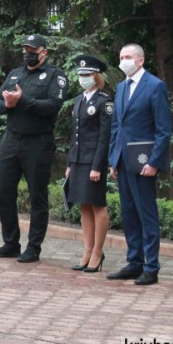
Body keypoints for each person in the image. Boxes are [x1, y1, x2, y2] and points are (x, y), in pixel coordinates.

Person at [0, 34, 67, 263]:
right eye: (25, 49)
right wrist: (6, 104)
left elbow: (53, 106)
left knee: (37, 197)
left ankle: (34, 247)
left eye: (32, 49)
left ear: (44, 52)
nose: (27, 53)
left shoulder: (55, 76)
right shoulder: (15, 74)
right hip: (11, 140)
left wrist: (22, 101)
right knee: (3, 192)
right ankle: (10, 243)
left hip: (38, 143)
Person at [107, 43, 172, 286]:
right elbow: (117, 127)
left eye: (128, 57)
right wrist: (113, 159)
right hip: (123, 162)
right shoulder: (121, 87)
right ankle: (134, 262)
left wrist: (154, 162)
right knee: (129, 214)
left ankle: (151, 267)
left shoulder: (155, 86)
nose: (123, 60)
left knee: (146, 215)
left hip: (144, 163)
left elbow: (163, 130)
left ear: (140, 60)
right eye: (121, 56)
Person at [65, 55, 113, 273]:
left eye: (86, 75)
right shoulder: (79, 100)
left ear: (96, 76)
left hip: (94, 161)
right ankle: (87, 249)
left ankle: (98, 251)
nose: (82, 78)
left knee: (97, 205)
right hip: (78, 160)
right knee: (83, 204)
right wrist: (69, 163)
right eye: (80, 75)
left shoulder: (105, 101)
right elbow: (75, 135)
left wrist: (97, 166)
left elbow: (104, 137)